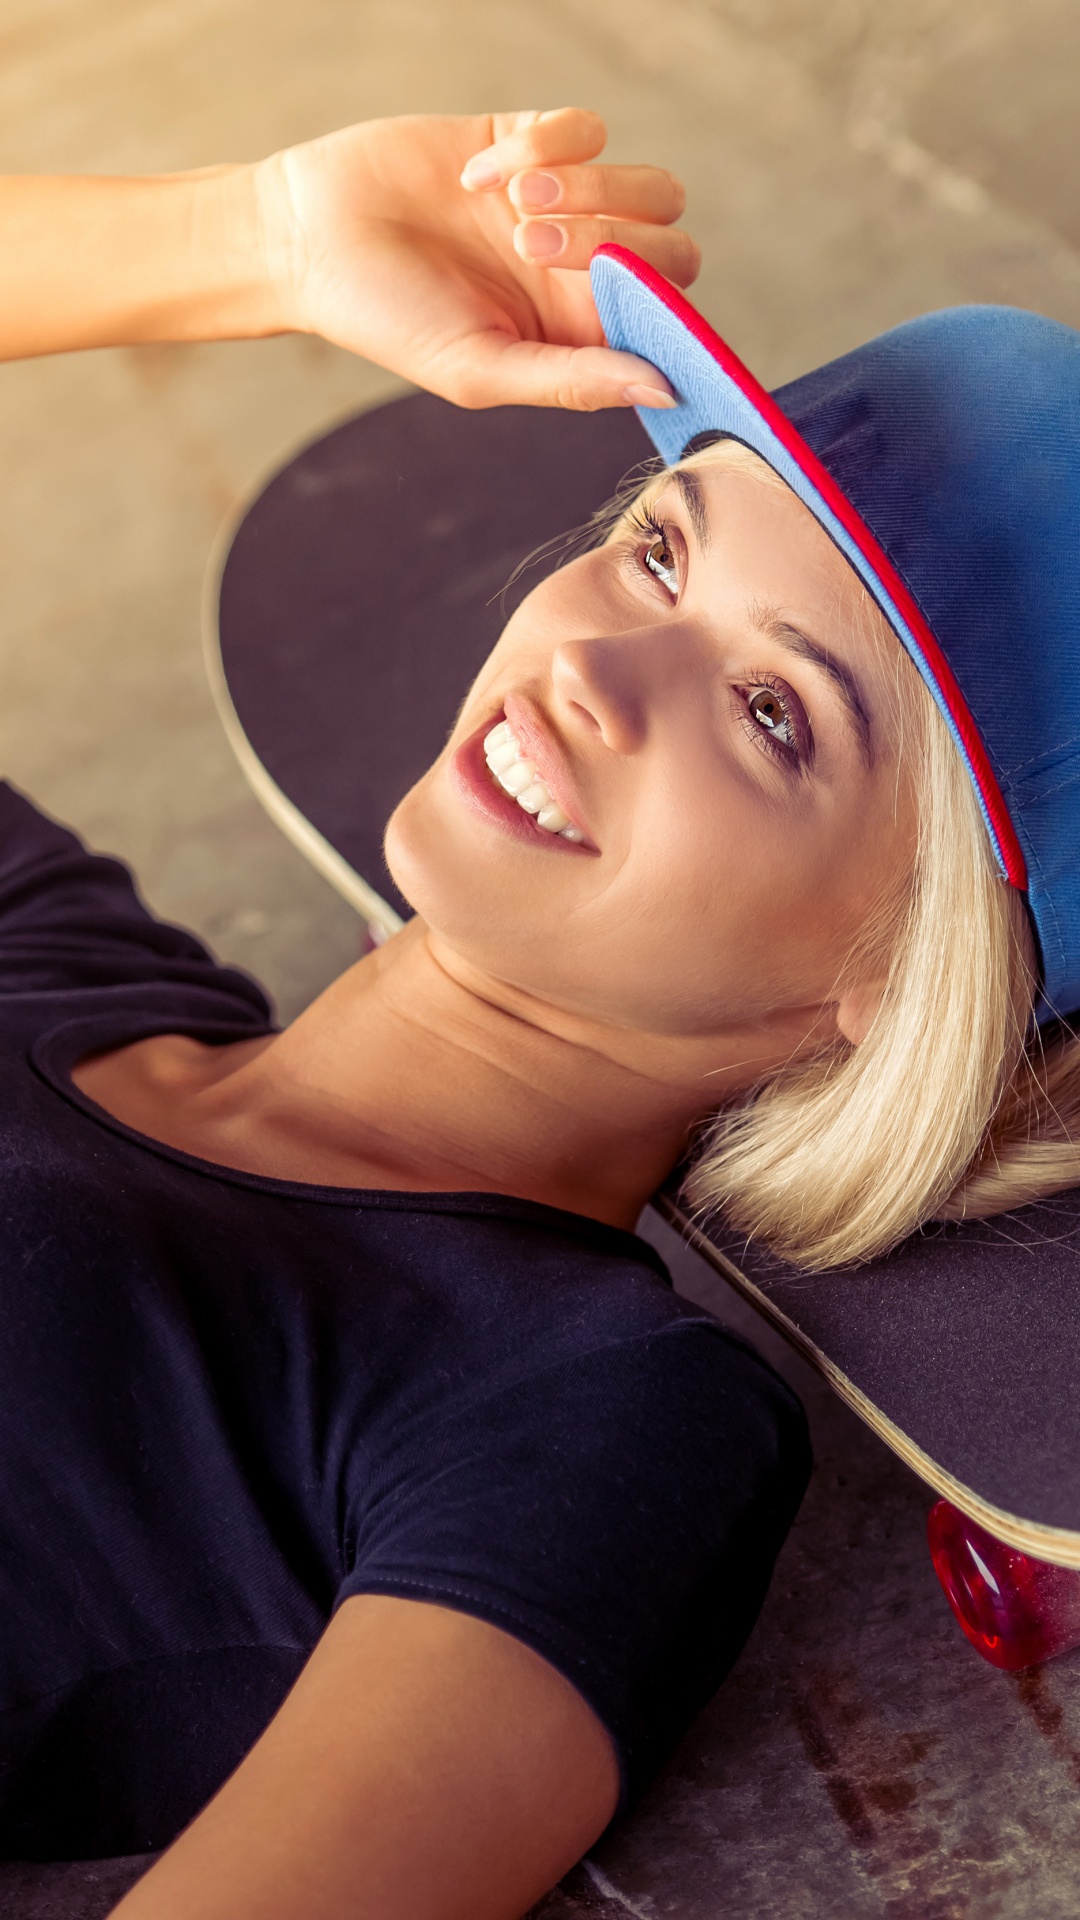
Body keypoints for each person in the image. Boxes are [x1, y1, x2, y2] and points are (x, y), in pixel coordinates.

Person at [2, 101, 1079, 1920]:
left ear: (892, 983)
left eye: (772, 714)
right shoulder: (49, 940)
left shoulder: (581, 1410)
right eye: (664, 550)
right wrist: (254, 240)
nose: (591, 659)